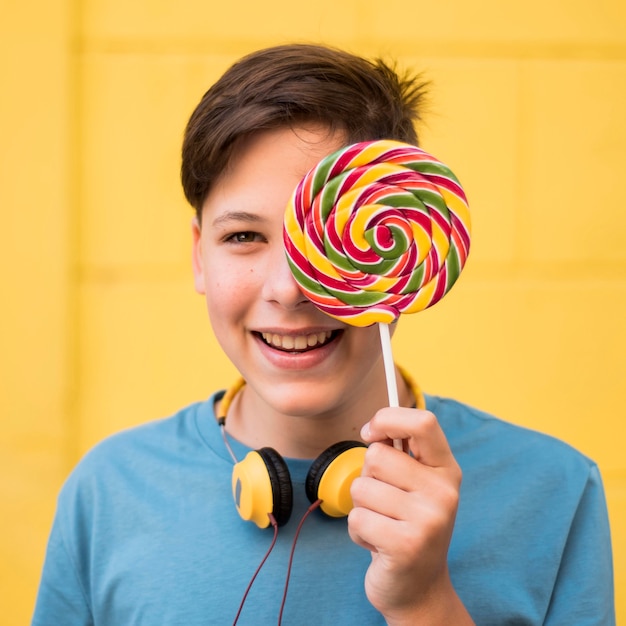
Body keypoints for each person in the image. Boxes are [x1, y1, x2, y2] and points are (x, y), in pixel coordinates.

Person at [32, 43, 615, 625]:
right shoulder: (107, 492)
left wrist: (423, 601)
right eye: (244, 238)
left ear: (401, 251)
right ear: (199, 257)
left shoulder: (554, 492)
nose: (289, 289)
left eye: (330, 240)